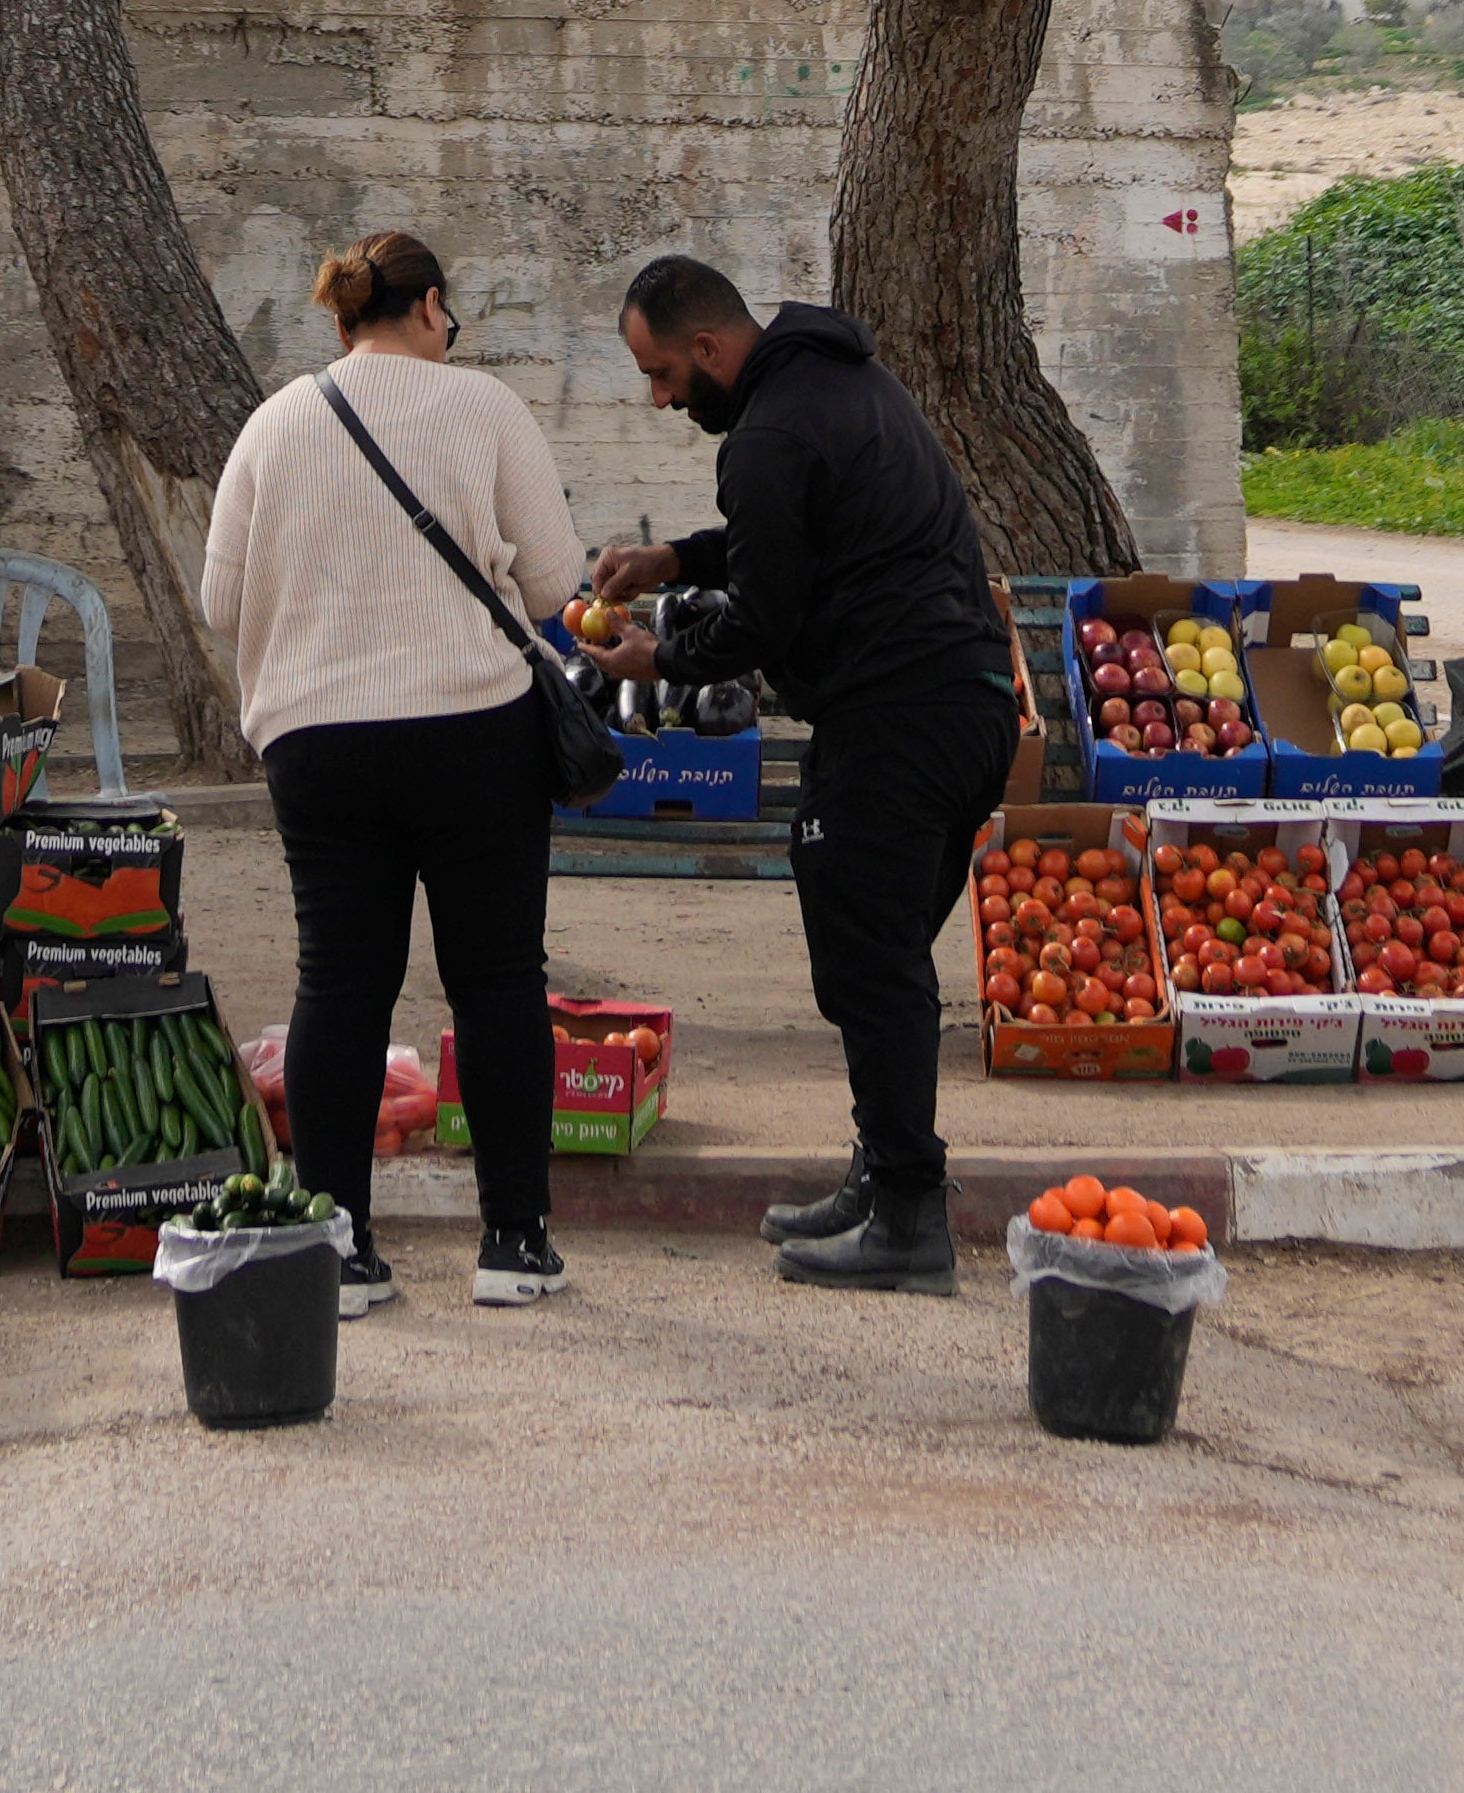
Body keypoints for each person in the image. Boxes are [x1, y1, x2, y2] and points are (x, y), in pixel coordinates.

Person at [569, 253, 1012, 1292]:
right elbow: (798, 539)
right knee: (878, 961)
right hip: (964, 709)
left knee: (872, 971)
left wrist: (657, 658)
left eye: (666, 375)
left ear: (711, 350)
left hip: (897, 721)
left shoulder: (765, 434)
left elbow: (767, 617)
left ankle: (908, 1214)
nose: (662, 398)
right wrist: (677, 557)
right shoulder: (846, 383)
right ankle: (880, 1176)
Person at [183, 227, 585, 1312]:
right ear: (429, 308)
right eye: (449, 316)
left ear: (341, 318)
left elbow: (223, 604)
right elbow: (552, 584)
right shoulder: (485, 408)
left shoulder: (275, 422)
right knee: (498, 980)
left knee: (341, 984)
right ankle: (513, 1244)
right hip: (473, 731)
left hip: (318, 745)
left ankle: (341, 1247)